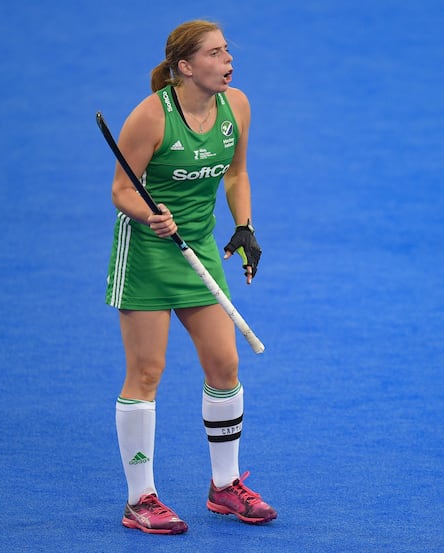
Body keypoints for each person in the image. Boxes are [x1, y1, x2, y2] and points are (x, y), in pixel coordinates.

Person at [104, 19, 276, 534]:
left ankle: (224, 488)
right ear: (185, 66)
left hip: (198, 247)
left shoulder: (236, 106)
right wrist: (147, 212)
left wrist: (244, 226)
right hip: (149, 255)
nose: (228, 60)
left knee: (225, 366)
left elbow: (236, 172)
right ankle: (141, 500)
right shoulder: (151, 117)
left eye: (228, 51)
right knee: (148, 373)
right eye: (216, 53)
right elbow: (121, 189)